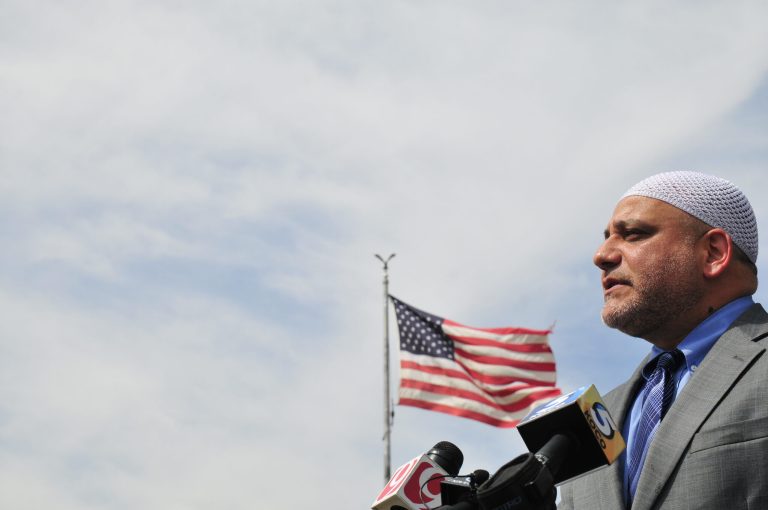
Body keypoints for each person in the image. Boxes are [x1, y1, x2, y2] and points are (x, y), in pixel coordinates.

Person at [558, 171, 768, 510]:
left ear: (714, 253)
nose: (602, 255)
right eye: (607, 237)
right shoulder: (598, 419)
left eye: (634, 234)